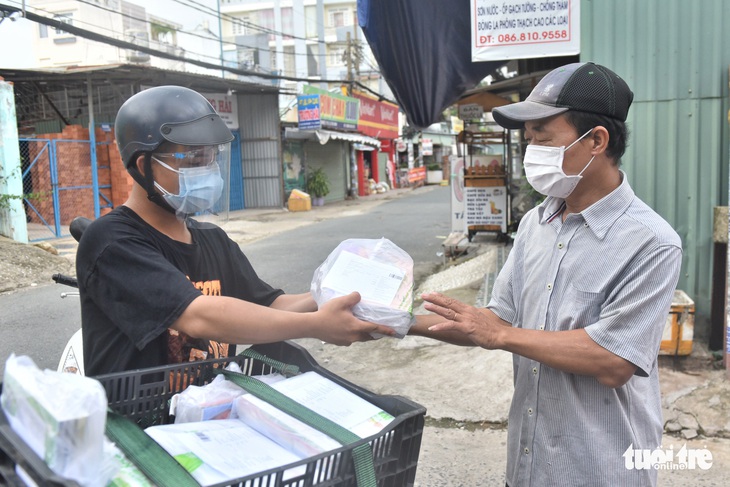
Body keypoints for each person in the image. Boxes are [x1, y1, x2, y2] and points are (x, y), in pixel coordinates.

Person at [410, 62, 682, 486]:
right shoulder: (537, 223)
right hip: (530, 465)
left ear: (596, 140)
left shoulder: (651, 242)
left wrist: (499, 335)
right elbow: (494, 320)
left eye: (543, 138)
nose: (530, 151)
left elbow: (613, 360)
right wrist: (398, 323)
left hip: (600, 470)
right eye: (528, 139)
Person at [77, 85, 393, 376]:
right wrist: (314, 325)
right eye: (193, 158)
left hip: (207, 413)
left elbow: (271, 307)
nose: (208, 169)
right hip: (138, 425)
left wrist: (334, 285)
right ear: (145, 166)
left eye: (211, 157)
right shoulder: (112, 241)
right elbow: (199, 315)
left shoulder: (213, 240)